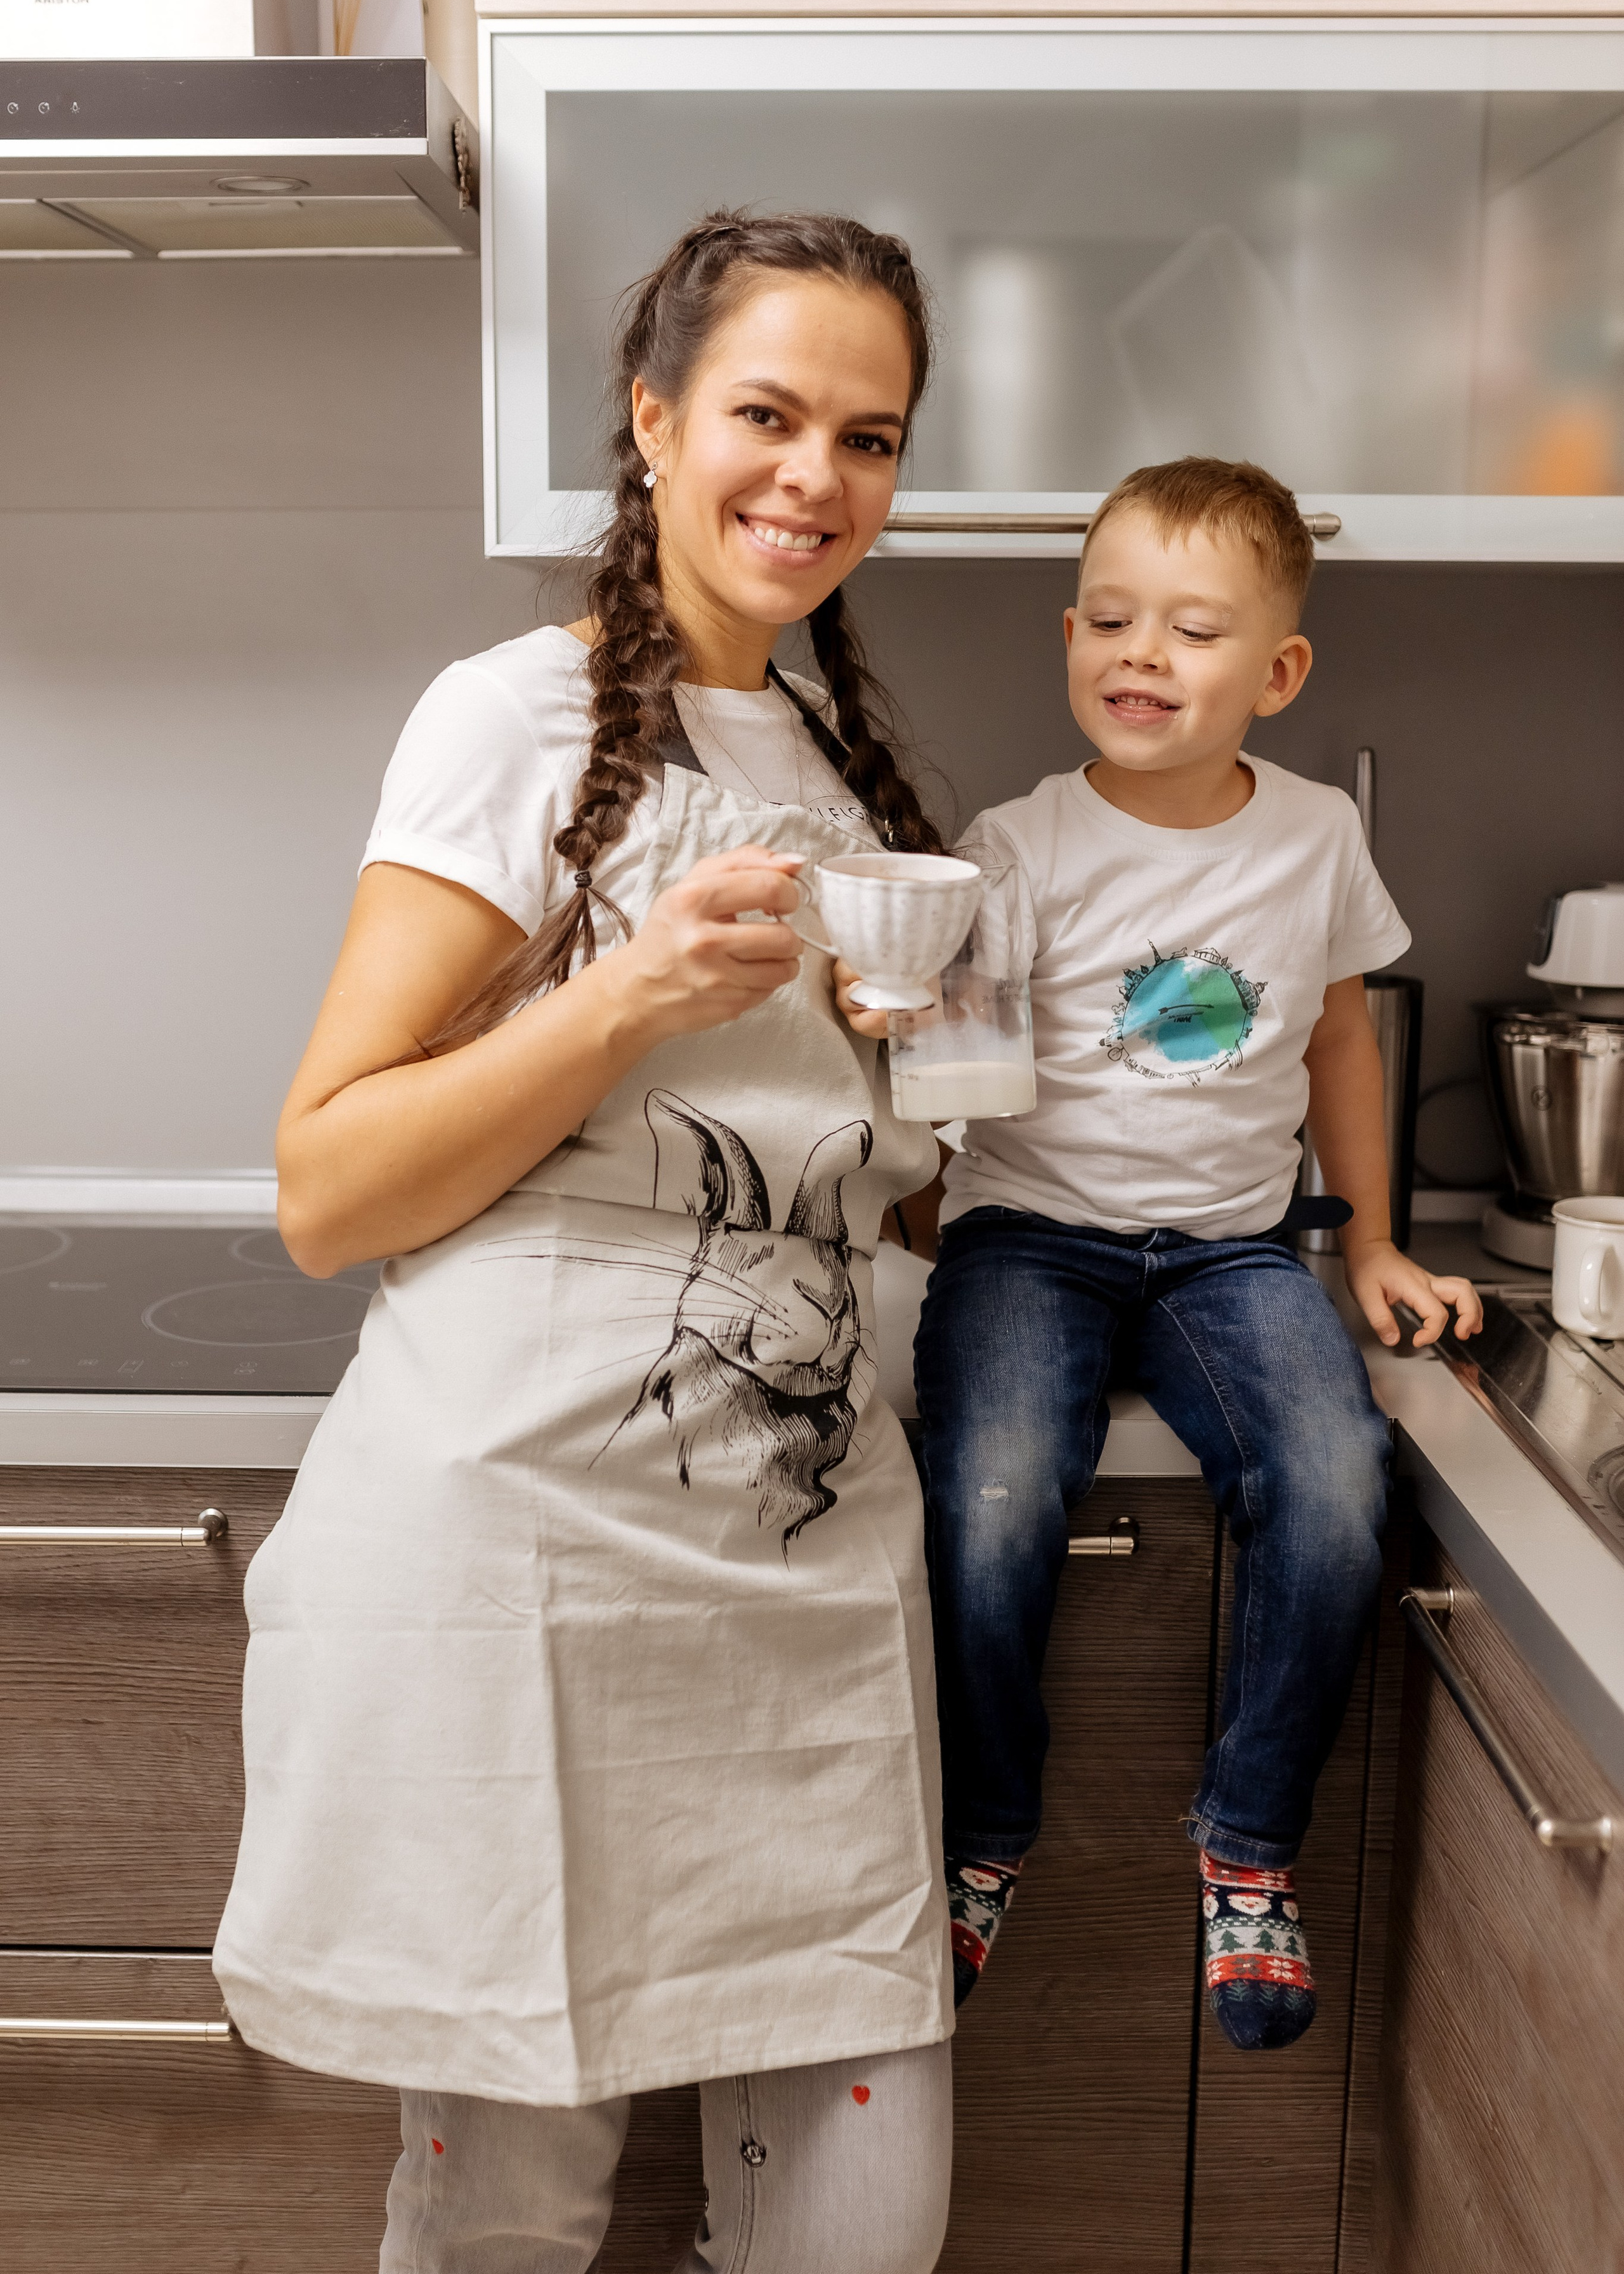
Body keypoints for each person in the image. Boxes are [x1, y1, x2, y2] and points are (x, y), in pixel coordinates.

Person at [212, 210, 960, 2273]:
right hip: (533, 1535)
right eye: (768, 414)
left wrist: (925, 1093)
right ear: (651, 426)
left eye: (871, 437)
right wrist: (620, 995)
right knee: (517, 2215)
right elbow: (325, 1186)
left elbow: (833, 1174)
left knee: (863, 2224)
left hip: (798, 1537)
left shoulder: (824, 757)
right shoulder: (512, 717)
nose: (817, 477)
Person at [843, 456, 1484, 2053]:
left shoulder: (1318, 838)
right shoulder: (1020, 839)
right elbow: (951, 1056)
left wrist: (1371, 1243)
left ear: (1276, 674)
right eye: (1110, 619)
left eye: (1190, 631)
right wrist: (898, 1014)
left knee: (1337, 1491)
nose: (1139, 653)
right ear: (1066, 634)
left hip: (1230, 1258)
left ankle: (1248, 1849)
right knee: (987, 1504)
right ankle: (982, 1830)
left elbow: (1340, 1040)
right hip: (1028, 1248)